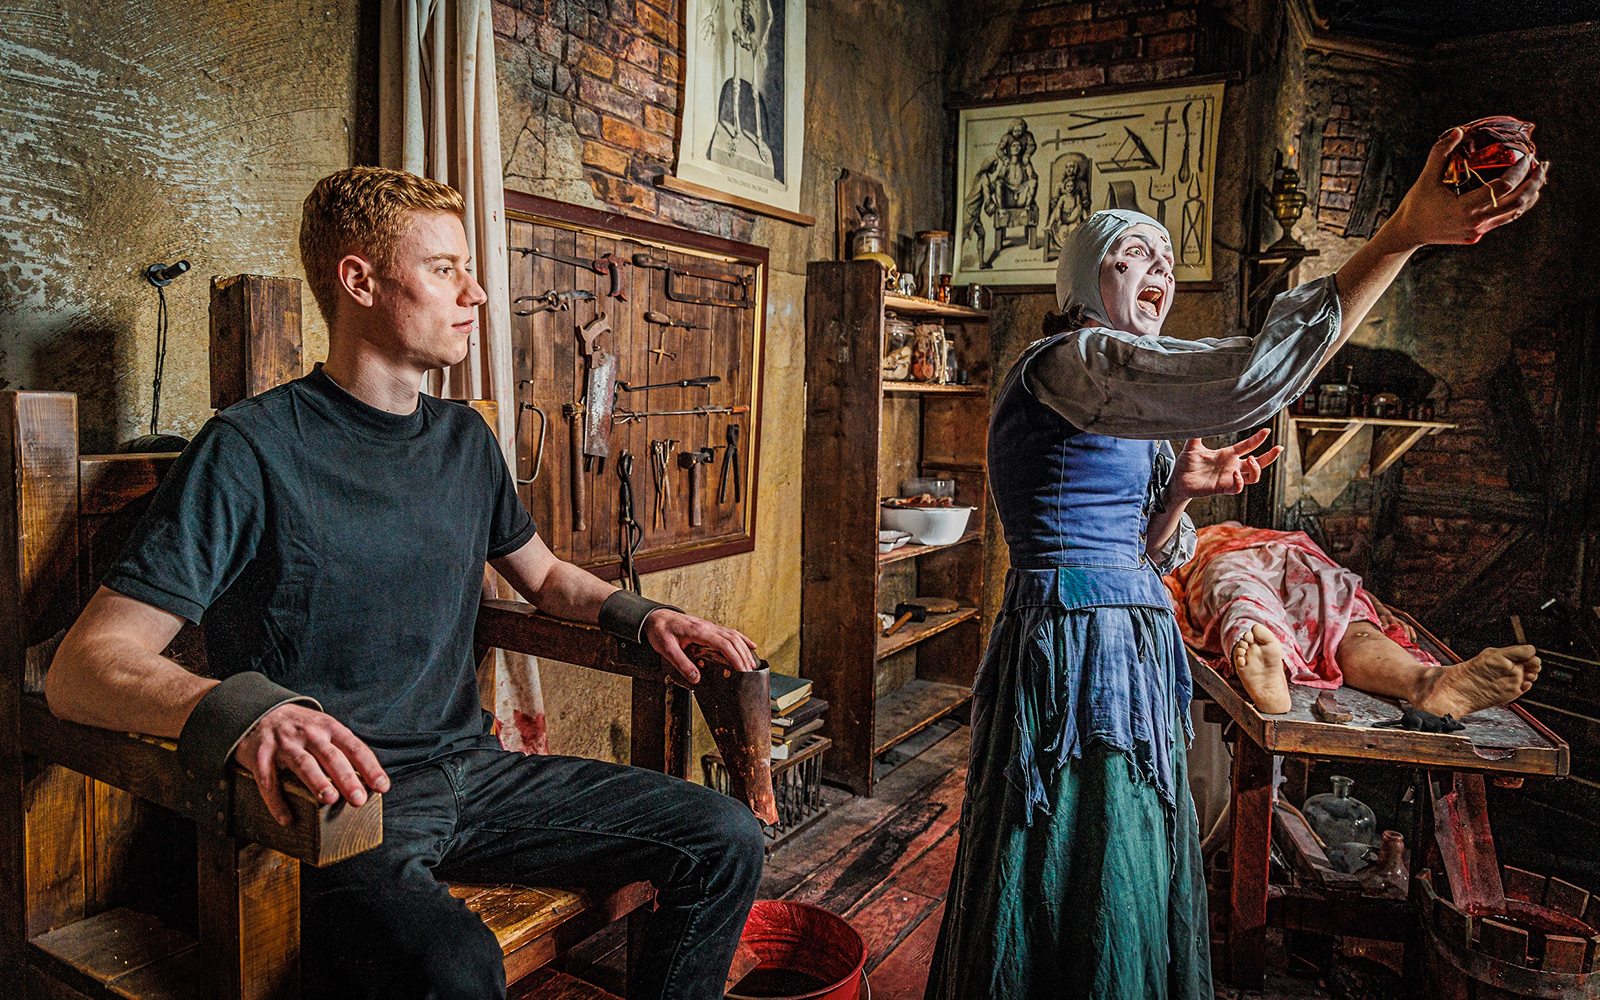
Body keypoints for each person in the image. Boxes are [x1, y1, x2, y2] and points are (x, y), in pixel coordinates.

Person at [43, 167, 767, 1000]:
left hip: (474, 771)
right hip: (339, 809)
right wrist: (249, 714)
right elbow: (85, 664)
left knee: (723, 836)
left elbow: (544, 577)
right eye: (444, 269)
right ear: (359, 280)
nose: (478, 292)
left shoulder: (464, 440)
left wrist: (647, 617)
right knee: (455, 968)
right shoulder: (249, 449)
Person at [925, 128, 1546, 1000]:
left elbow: (1139, 550)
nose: (1161, 270)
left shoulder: (1124, 397)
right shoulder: (1071, 359)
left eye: (1168, 259)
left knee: (1127, 844)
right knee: (1074, 844)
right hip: (1074, 642)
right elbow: (1255, 376)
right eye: (1133, 253)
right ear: (1080, 278)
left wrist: (1178, 493)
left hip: (1128, 638)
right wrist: (1399, 233)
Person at [1165, 521, 1540, 717]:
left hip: (1275, 560)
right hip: (1267, 560)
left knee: (1255, 605)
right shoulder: (1194, 542)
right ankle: (1420, 680)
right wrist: (1371, 604)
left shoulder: (1200, 540)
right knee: (1342, 616)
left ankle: (1429, 683)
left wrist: (1373, 604)